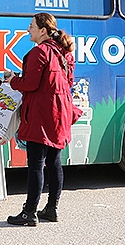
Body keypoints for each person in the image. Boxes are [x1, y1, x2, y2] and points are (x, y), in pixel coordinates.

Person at [5, 12, 82, 226]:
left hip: (41, 114)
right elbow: (69, 81)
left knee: (36, 164)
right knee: (54, 162)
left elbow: (30, 84)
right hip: (60, 113)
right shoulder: (64, 52)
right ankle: (51, 209)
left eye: (31, 26)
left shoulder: (39, 52)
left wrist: (13, 80)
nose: (28, 29)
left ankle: (29, 212)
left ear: (43, 30)